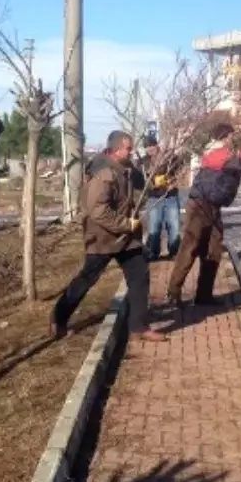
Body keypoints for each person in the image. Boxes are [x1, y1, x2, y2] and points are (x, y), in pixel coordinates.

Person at [51, 130, 165, 342]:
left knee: (139, 275)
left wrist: (154, 182)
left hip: (127, 238)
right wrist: (126, 224)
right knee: (86, 279)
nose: (132, 153)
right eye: (128, 149)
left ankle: (139, 326)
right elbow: (98, 211)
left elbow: (140, 181)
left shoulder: (125, 166)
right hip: (103, 237)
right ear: (115, 150)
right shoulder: (104, 174)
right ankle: (58, 319)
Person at [167, 123, 241, 306]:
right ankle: (173, 293)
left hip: (213, 207)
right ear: (225, 136)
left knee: (214, 250)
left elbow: (240, 161)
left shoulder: (227, 154)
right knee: (190, 248)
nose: (232, 139)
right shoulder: (215, 153)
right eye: (230, 136)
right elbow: (240, 162)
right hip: (199, 206)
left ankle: (204, 295)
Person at [139, 134, 183, 261]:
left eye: (151, 146)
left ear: (157, 145)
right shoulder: (143, 162)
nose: (149, 149)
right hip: (153, 198)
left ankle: (174, 252)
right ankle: (154, 252)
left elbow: (180, 171)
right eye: (147, 147)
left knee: (173, 225)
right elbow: (142, 180)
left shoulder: (170, 158)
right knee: (154, 226)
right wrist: (149, 182)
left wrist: (172, 182)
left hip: (171, 197)